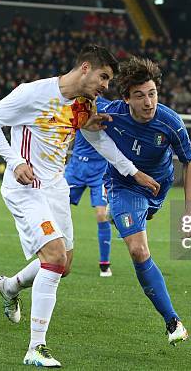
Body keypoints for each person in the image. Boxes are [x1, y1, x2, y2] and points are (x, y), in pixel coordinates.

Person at [0, 45, 158, 367]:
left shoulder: (83, 104)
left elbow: (97, 140)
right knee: (55, 257)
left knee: (64, 265)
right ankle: (36, 347)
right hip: (26, 187)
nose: (106, 86)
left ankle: (9, 286)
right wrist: (15, 160)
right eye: (104, 77)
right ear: (85, 68)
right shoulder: (32, 93)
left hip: (56, 188)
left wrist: (133, 171)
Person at [81, 56, 191, 345]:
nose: (148, 103)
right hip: (124, 185)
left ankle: (122, 216)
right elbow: (80, 113)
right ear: (126, 98)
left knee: (138, 222)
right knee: (138, 249)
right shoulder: (112, 112)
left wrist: (190, 212)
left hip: (159, 186)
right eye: (139, 96)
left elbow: (190, 162)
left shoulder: (170, 122)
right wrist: (86, 121)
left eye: (152, 94)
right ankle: (173, 322)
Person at [64, 89, 118, 277]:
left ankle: (104, 264)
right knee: (56, 206)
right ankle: (54, 253)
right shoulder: (75, 103)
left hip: (99, 170)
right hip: (76, 167)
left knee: (101, 215)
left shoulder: (107, 107)